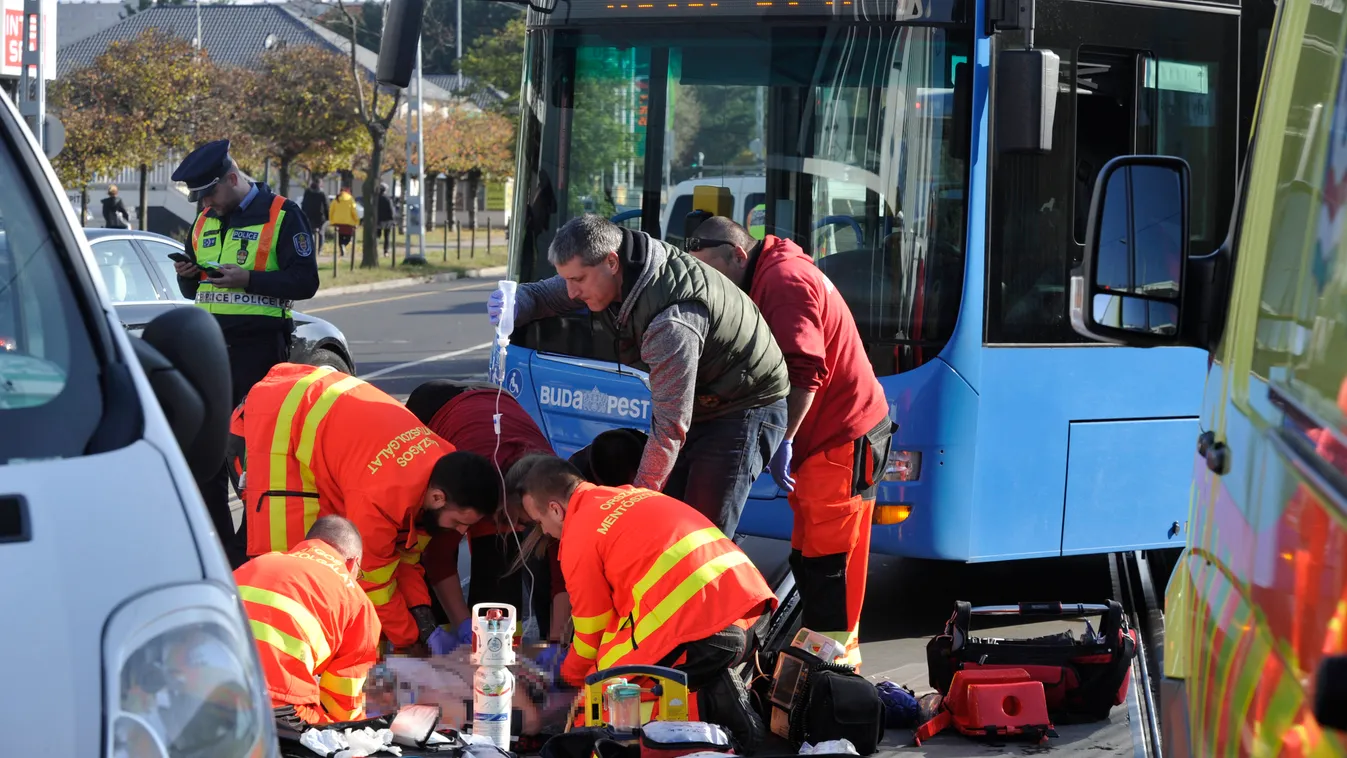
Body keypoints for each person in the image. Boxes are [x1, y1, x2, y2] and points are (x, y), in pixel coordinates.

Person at [487, 214, 790, 539]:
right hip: (706, 399)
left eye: (578, 280)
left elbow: (670, 427)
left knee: (699, 535)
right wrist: (518, 301)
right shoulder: (609, 269)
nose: (572, 293)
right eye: (567, 280)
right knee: (669, 519)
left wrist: (635, 502)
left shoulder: (670, 322)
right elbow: (546, 295)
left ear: (612, 262)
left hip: (744, 406)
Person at [688, 216, 893, 669]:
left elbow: (805, 371)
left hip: (838, 437)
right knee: (812, 557)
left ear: (738, 255)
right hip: (837, 434)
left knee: (827, 566)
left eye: (713, 273)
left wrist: (783, 438)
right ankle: (829, 661)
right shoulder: (768, 273)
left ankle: (835, 676)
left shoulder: (782, 281)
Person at [511, 454, 777, 752]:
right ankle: (719, 714)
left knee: (597, 697)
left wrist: (567, 679)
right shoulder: (633, 495)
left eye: (540, 522)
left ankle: (708, 732)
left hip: (704, 632)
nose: (544, 532)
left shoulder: (579, 535)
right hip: (753, 610)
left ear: (555, 510)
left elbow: (591, 632)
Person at [229, 362, 501, 649]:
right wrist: (412, 640)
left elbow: (405, 559)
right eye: (460, 522)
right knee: (291, 566)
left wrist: (426, 623)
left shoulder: (443, 470)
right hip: (281, 416)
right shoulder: (383, 495)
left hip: (319, 401)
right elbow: (374, 582)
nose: (459, 532)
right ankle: (269, 652)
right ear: (437, 499)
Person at [170, 139, 320, 568]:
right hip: (210, 352)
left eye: (210, 193)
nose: (206, 203)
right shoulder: (204, 218)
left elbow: (304, 282)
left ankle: (256, 551)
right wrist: (187, 275)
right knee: (207, 457)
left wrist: (249, 279)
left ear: (233, 179)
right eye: (200, 198)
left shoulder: (282, 215)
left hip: (259, 353)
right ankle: (223, 553)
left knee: (256, 459)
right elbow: (197, 286)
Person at [404, 379, 568, 642]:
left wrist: (558, 640)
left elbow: (563, 572)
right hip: (434, 407)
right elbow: (437, 557)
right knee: (422, 568)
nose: (526, 529)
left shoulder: (552, 489)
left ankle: (502, 651)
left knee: (500, 585)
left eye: (532, 522)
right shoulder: (471, 488)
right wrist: (461, 625)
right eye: (522, 521)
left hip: (497, 400)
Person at [234, 515, 381, 726]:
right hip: (273, 705)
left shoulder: (259, 563)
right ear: (352, 563)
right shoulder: (356, 600)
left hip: (198, 688)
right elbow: (344, 706)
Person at [329, 186, 360, 258]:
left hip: (337, 222)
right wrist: (356, 221)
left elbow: (331, 211)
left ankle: (342, 247)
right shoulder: (350, 199)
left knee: (339, 237)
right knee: (348, 237)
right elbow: (354, 211)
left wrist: (331, 220)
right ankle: (343, 246)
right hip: (348, 222)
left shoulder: (336, 199)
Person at [302, 179, 329, 258]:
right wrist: (327, 217)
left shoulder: (307, 192)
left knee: (309, 233)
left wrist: (303, 214)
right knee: (321, 233)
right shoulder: (322, 193)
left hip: (308, 216)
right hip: (320, 217)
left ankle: (311, 249)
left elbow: (304, 204)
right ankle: (319, 249)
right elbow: (326, 205)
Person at [377, 183, 396, 257]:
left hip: (378, 220)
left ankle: (375, 248)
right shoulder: (388, 199)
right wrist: (393, 219)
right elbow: (391, 210)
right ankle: (386, 251)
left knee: (377, 235)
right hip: (387, 220)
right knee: (387, 236)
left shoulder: (375, 198)